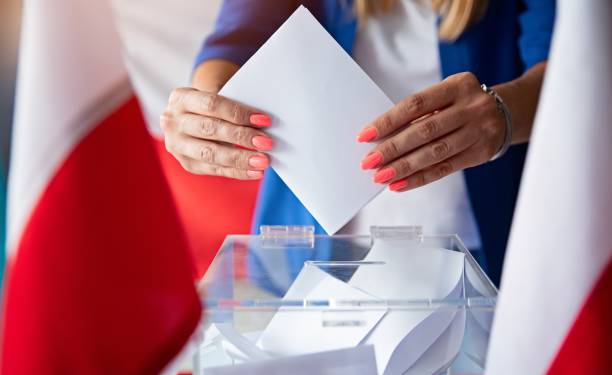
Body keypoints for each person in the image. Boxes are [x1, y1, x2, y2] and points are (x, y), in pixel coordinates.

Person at [161, 0, 555, 285]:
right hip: (317, 253)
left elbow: (567, 64)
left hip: (480, 248)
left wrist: (503, 114)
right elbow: (237, 38)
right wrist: (209, 106)